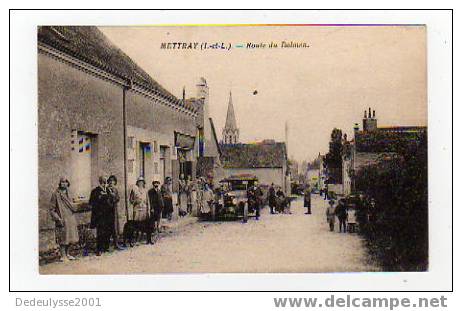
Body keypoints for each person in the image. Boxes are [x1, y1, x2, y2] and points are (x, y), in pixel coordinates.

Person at [49, 177, 79, 261]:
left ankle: (67, 253)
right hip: (62, 218)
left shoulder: (69, 193)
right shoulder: (55, 194)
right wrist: (57, 218)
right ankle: (63, 256)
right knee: (63, 238)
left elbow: (73, 203)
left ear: (67, 183)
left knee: (70, 237)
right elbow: (51, 209)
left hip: (70, 217)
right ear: (60, 183)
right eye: (62, 182)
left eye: (65, 182)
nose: (64, 183)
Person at [90, 176, 114, 255]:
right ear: (100, 181)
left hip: (108, 214)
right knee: (100, 232)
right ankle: (99, 249)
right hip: (100, 215)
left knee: (107, 230)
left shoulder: (108, 190)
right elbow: (91, 203)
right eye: (103, 181)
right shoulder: (95, 191)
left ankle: (106, 247)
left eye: (106, 181)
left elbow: (111, 200)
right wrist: (99, 198)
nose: (105, 183)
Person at [129, 176, 150, 244]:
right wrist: (135, 201)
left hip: (144, 208)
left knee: (143, 223)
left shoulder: (145, 190)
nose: (141, 183)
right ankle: (135, 238)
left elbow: (148, 201)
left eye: (142, 182)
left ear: (143, 183)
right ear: (137, 183)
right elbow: (131, 200)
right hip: (137, 209)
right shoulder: (134, 190)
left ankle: (141, 237)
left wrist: (148, 210)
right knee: (136, 224)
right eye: (139, 182)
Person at [107, 175, 124, 250]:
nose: (111, 182)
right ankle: (107, 246)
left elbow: (118, 198)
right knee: (108, 227)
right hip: (108, 211)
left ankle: (116, 244)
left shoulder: (115, 190)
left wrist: (114, 197)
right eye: (110, 181)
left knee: (115, 227)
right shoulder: (106, 189)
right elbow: (106, 200)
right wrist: (111, 197)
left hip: (114, 210)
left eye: (113, 181)